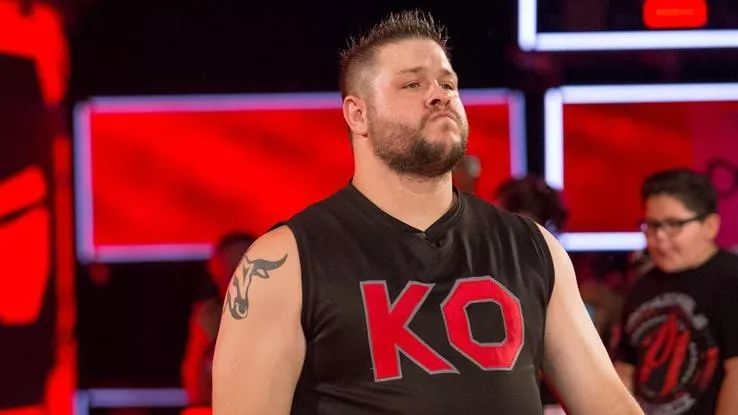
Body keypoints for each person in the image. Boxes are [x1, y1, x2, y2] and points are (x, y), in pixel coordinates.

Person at [213, 10, 641, 414]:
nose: (440, 95)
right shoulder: (285, 261)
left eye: (448, 83)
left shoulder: (531, 247)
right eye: (412, 84)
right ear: (358, 114)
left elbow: (609, 405)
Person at [615, 169, 738, 415]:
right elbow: (625, 371)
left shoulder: (730, 279)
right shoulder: (643, 286)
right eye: (652, 225)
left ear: (710, 225)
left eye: (674, 225)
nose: (659, 237)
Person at [181, 232, 254, 406]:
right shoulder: (210, 316)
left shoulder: (283, 317)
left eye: (244, 267)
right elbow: (195, 393)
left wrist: (218, 340)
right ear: (215, 272)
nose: (237, 277)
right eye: (230, 268)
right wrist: (204, 341)